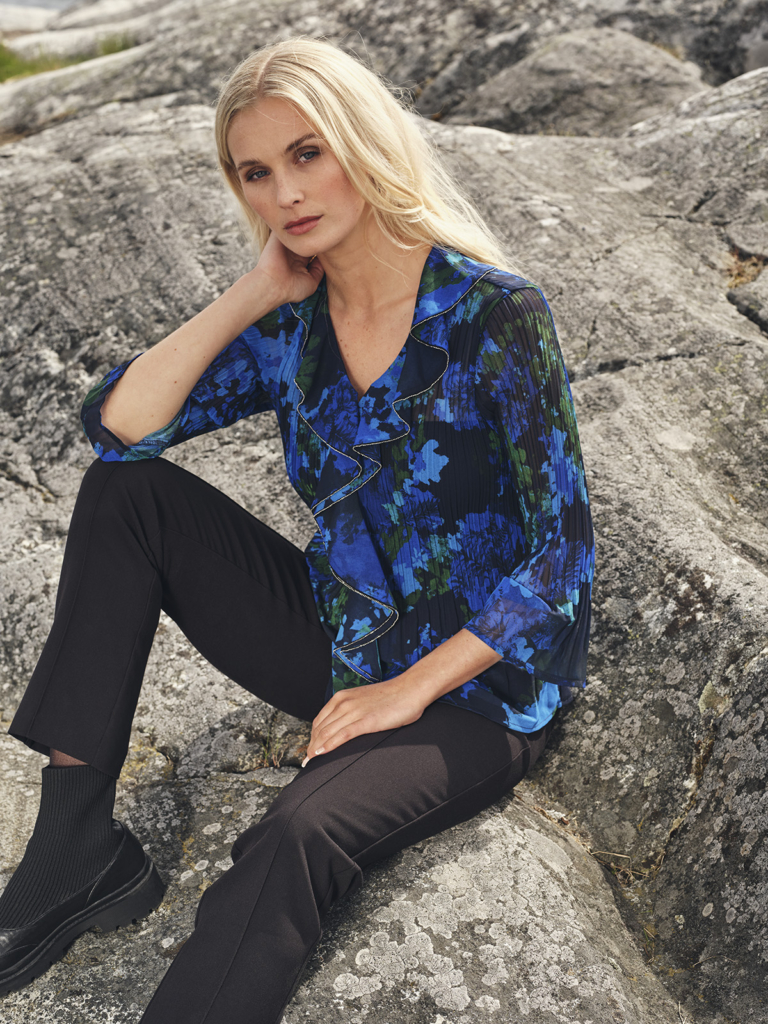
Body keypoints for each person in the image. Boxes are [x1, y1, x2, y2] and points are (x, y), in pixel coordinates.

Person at [0, 36, 594, 1024]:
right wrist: (258, 291)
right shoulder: (294, 329)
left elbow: (562, 555)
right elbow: (118, 428)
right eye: (256, 172)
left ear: (363, 141)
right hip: (340, 637)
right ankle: (75, 851)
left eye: (308, 154)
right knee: (126, 498)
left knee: (293, 836)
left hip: (475, 692)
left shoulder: (495, 314)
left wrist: (406, 692)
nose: (287, 192)